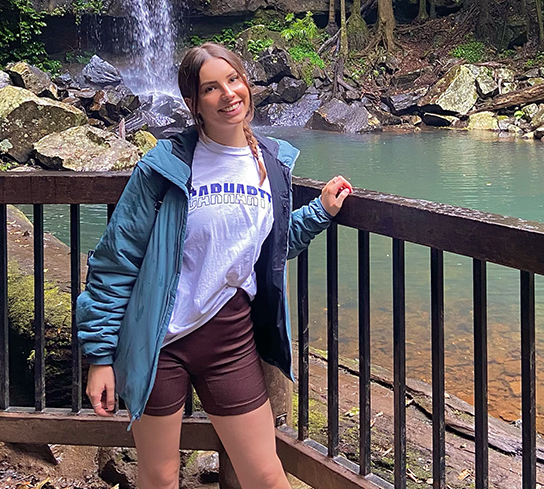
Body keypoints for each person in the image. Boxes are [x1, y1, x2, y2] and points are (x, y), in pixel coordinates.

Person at [76, 42, 352, 489]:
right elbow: (115, 263)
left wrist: (318, 212)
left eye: (233, 80)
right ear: (193, 103)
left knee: (265, 475)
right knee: (160, 478)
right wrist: (101, 357)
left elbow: (266, 246)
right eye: (211, 88)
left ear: (247, 84)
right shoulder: (163, 167)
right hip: (159, 343)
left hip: (231, 340)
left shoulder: (274, 162)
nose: (228, 94)